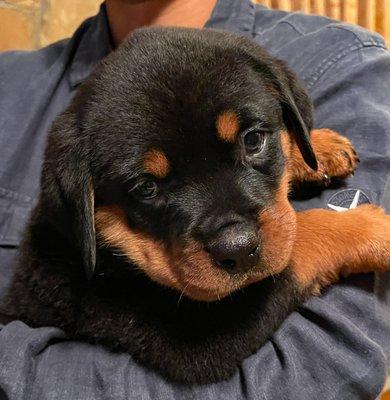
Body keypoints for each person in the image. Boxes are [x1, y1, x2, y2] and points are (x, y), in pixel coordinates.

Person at [0, 0, 389, 398]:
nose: (236, 242)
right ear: (86, 208)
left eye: (253, 140)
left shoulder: (343, 63)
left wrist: (289, 157)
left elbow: (302, 374)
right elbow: (202, 351)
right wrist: (333, 239)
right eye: (146, 187)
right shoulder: (21, 96)